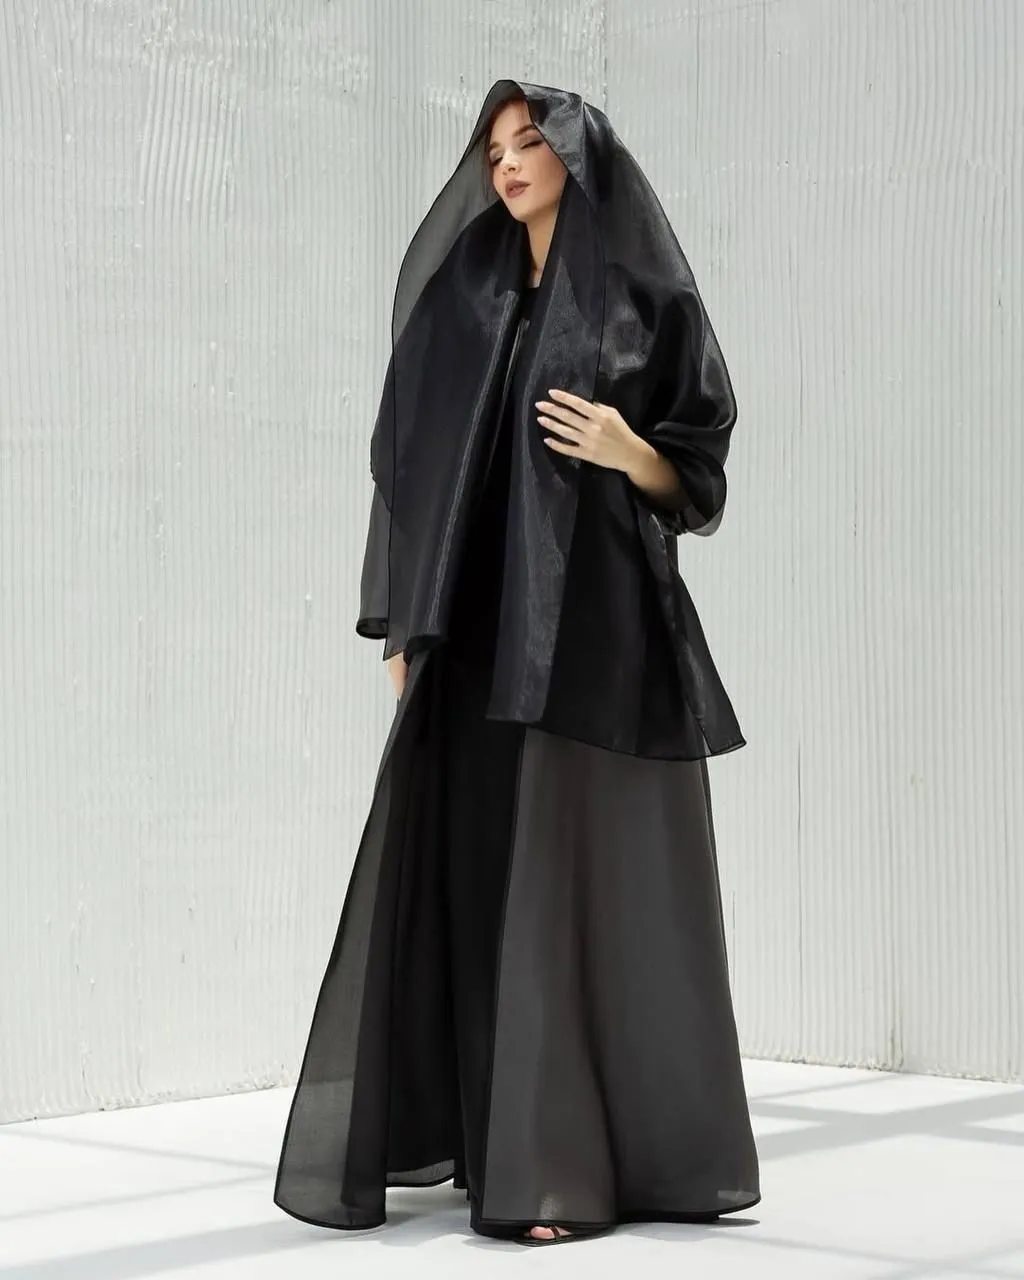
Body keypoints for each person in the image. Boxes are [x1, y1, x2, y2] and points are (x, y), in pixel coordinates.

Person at [274, 79, 760, 1248]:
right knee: (481, 869)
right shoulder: (464, 298)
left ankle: (553, 1166)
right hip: (475, 632)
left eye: (530, 140)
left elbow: (697, 479)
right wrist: (403, 624)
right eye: (492, 146)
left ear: (579, 158)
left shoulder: (644, 303)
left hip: (595, 631)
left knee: (574, 885)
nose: (506, 162)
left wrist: (627, 447)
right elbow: (404, 463)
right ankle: (492, 1139)